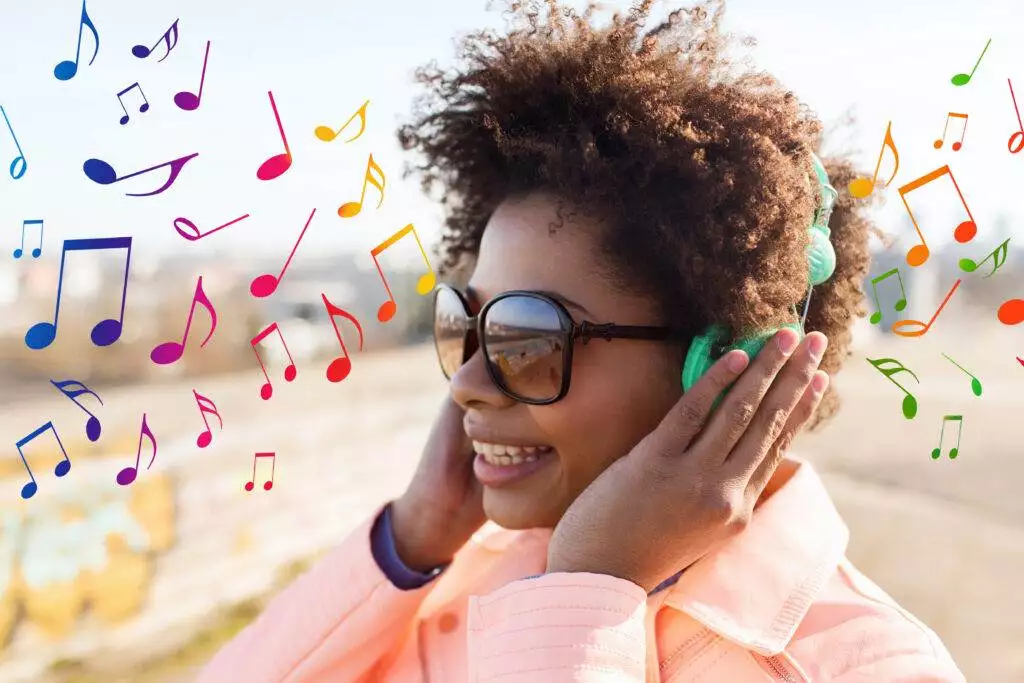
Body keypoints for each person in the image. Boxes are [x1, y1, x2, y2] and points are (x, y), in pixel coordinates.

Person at [197, 1, 965, 680]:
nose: (467, 381)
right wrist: (412, 538)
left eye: (527, 336)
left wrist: (587, 593)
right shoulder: (473, 580)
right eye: (467, 324)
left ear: (722, 372)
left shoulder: (866, 666)